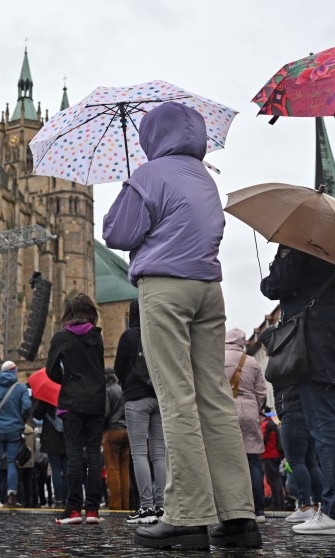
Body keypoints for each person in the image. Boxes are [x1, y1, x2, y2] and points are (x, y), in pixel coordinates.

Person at [103, 102, 259, 549]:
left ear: (154, 137)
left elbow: (117, 233)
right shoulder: (204, 176)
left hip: (166, 289)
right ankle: (237, 516)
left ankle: (187, 515)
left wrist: (132, 188)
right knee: (213, 397)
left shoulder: (149, 175)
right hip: (210, 290)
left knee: (176, 397)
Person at [260, 245, 335, 536]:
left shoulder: (302, 239)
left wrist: (281, 256)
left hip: (315, 341)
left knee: (326, 426)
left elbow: (276, 286)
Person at [46, 293, 106, 525]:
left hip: (72, 401)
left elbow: (51, 371)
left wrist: (67, 380)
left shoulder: (61, 337)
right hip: (96, 402)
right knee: (93, 454)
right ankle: (92, 510)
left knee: (73, 456)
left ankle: (72, 510)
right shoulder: (96, 336)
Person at [114, 299, 165, 524]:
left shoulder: (129, 336)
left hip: (136, 397)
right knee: (159, 453)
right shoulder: (157, 333)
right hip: (158, 397)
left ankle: (146, 507)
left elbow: (118, 367)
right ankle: (163, 505)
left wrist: (127, 383)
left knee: (139, 453)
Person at [224, 328, 267, 523]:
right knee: (254, 462)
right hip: (249, 409)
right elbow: (261, 393)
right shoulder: (252, 362)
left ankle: (234, 509)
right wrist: (254, 409)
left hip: (225, 411)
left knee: (229, 462)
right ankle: (258, 511)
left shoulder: (217, 358)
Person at [0, 361, 31, 508]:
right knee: (12, 462)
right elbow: (28, 406)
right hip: (14, 431)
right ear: (14, 371)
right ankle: (11, 496)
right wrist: (20, 419)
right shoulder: (21, 388)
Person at [274, 386, 323, 524]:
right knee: (311, 462)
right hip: (310, 411)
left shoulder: (284, 365)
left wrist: (281, 412)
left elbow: (272, 374)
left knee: (296, 461)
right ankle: (318, 506)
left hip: (291, 410)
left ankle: (304, 507)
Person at [102, 370, 130, 513]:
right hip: (126, 430)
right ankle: (125, 505)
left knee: (113, 469)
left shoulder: (108, 391)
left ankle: (115, 506)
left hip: (112, 431)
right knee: (125, 470)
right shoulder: (122, 389)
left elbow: (105, 413)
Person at [31, 400, 67, 508]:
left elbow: (37, 414)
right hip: (67, 437)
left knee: (55, 469)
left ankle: (59, 500)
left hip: (51, 438)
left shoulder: (47, 397)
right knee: (67, 470)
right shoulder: (68, 392)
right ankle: (67, 498)